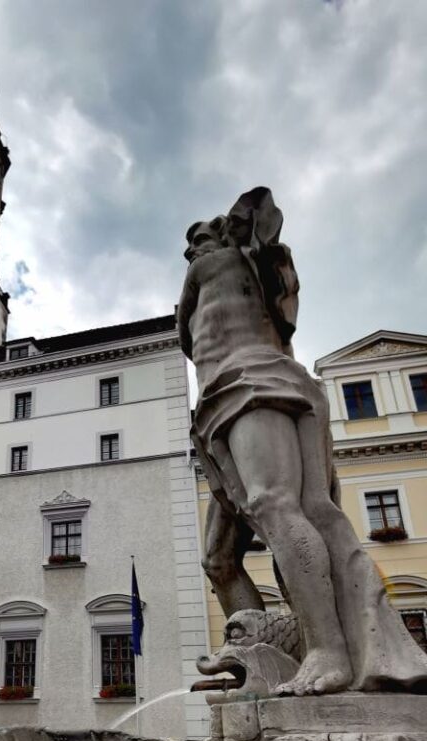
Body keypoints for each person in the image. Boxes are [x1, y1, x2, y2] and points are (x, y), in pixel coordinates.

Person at [179, 186, 427, 695]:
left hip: (254, 384)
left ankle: (328, 650)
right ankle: (261, 659)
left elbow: (264, 225)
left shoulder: (227, 265)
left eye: (199, 238)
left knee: (278, 505)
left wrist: (243, 236)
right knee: (219, 559)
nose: (191, 251)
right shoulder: (225, 272)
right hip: (220, 408)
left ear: (226, 234)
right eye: (189, 246)